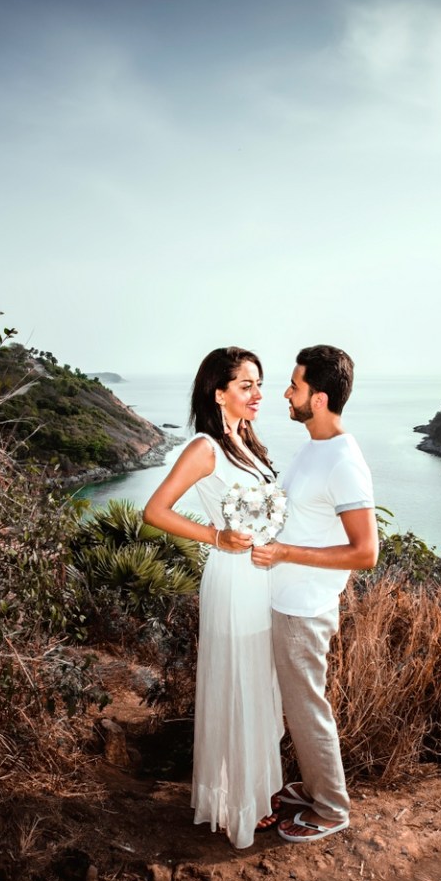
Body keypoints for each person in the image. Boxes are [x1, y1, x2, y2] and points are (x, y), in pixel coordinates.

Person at [143, 347, 283, 849]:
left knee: (257, 684)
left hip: (261, 578)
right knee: (238, 684)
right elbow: (155, 510)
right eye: (246, 385)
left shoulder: (248, 443)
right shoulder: (205, 447)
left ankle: (255, 793)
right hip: (233, 580)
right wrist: (215, 537)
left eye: (259, 384)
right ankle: (237, 804)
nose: (258, 394)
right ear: (219, 393)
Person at [250, 345, 378, 843]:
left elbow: (365, 552)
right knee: (297, 705)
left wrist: (284, 552)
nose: (285, 393)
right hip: (285, 600)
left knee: (307, 708)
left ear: (318, 399)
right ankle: (315, 785)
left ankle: (332, 808)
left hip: (305, 608)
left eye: (295, 385)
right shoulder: (313, 447)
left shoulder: (344, 460)